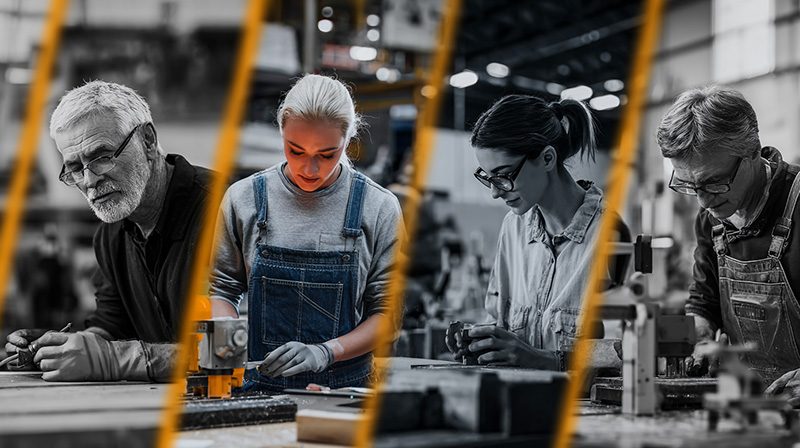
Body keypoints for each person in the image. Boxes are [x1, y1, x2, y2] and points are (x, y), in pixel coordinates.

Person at [4, 81, 215, 382]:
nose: (89, 180)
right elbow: (112, 326)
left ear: (147, 141)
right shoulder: (110, 235)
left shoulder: (224, 210)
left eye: (102, 156)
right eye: (74, 167)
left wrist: (113, 359)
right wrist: (52, 349)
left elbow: (233, 349)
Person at [210, 74, 404, 391]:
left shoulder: (378, 207)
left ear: (348, 140)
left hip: (342, 392)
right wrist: (224, 351)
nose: (309, 170)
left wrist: (326, 352)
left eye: (327, 154)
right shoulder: (243, 199)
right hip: (260, 385)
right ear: (282, 130)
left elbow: (387, 315)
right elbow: (223, 287)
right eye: (295, 150)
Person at [445, 94, 629, 371]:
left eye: (503, 175)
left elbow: (629, 351)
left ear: (547, 158)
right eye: (488, 178)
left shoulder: (611, 235)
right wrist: (481, 343)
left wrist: (542, 360)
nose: (495, 192)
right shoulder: (513, 228)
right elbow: (501, 322)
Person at [657, 85, 800, 403]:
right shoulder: (710, 221)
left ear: (752, 152)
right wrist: (701, 330)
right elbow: (703, 302)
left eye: (714, 181)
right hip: (748, 409)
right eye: (690, 185)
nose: (704, 200)